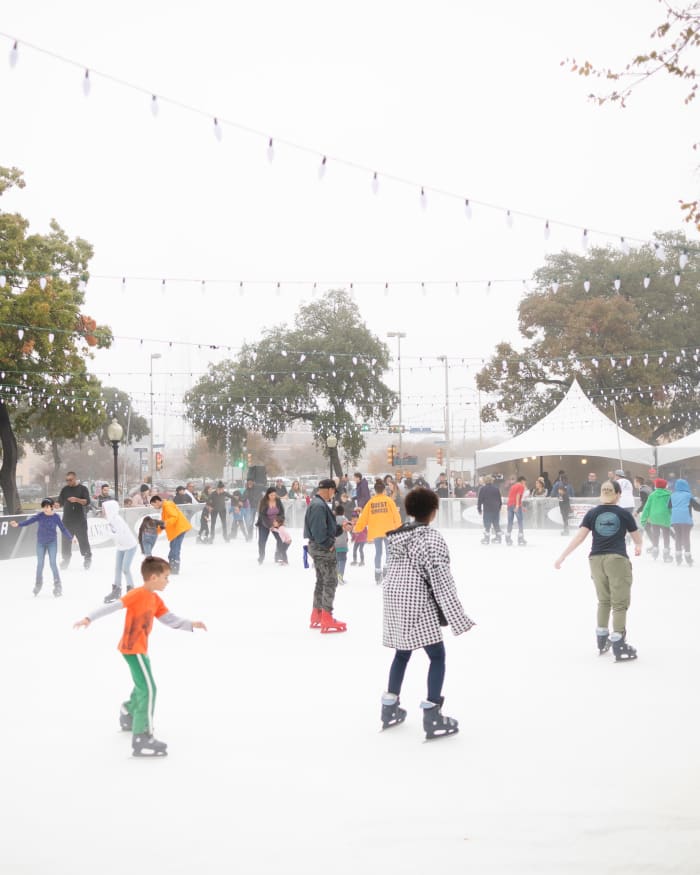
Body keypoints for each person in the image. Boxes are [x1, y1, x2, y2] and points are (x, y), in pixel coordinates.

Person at [73, 556, 207, 757]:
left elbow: (168, 619)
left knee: (142, 685)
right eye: (165, 577)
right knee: (149, 688)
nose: (167, 581)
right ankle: (142, 736)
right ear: (153, 577)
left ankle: (128, 711)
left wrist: (190, 624)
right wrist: (88, 618)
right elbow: (112, 606)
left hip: (140, 650)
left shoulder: (155, 599)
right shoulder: (137, 594)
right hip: (132, 649)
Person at [380, 487, 475, 739]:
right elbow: (441, 578)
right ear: (433, 512)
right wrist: (458, 616)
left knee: (402, 652)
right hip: (416, 598)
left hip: (395, 596)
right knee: (437, 655)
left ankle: (389, 707)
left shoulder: (399, 535)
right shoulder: (430, 538)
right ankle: (432, 713)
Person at [554, 480, 642, 661]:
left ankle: (602, 639)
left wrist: (563, 556)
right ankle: (619, 642)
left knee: (603, 601)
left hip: (595, 559)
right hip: (616, 559)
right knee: (619, 603)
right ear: (618, 494)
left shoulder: (592, 513)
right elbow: (636, 536)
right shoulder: (623, 514)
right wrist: (638, 545)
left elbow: (579, 537)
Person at [304, 479, 353, 632]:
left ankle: (317, 613)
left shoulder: (317, 503)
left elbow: (326, 527)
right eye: (334, 491)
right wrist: (328, 544)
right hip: (322, 549)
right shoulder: (319, 506)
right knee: (330, 581)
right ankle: (326, 616)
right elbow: (319, 531)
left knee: (321, 581)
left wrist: (340, 527)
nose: (333, 495)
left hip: (317, 548)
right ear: (329, 489)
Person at [10, 498, 73, 597]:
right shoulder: (40, 516)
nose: (45, 509)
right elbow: (29, 522)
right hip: (41, 543)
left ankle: (58, 585)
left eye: (47, 507)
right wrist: (18, 524)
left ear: (52, 507)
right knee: (40, 564)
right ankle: (38, 584)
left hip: (52, 543)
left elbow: (63, 529)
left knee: (53, 563)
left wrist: (71, 538)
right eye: (44, 507)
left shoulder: (56, 517)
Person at [353, 479, 402, 584]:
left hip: (376, 531)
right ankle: (386, 569)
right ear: (384, 490)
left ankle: (377, 573)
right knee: (389, 552)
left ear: (375, 491)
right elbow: (396, 516)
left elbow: (363, 517)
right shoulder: (389, 501)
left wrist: (357, 528)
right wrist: (399, 528)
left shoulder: (371, 503)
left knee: (378, 552)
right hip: (389, 531)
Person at [102, 499, 139, 603]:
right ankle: (116, 591)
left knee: (125, 568)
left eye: (104, 508)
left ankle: (132, 591)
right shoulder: (110, 519)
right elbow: (115, 534)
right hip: (121, 547)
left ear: (110, 509)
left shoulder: (117, 520)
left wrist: (109, 534)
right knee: (117, 568)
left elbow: (120, 535)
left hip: (130, 546)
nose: (103, 510)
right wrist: (108, 532)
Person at [57, 470, 93, 570]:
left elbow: (87, 501)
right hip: (67, 520)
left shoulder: (82, 489)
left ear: (75, 478)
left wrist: (77, 500)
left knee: (83, 540)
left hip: (80, 519)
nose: (68, 481)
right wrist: (57, 504)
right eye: (66, 480)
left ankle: (87, 557)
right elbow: (60, 501)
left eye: (70, 480)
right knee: (65, 540)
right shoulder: (65, 489)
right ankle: (66, 559)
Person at [148, 494, 192, 574]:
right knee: (173, 548)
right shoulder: (165, 507)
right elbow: (163, 523)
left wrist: (165, 523)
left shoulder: (167, 506)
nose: (154, 507)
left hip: (178, 529)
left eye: (153, 505)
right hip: (177, 530)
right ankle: (173, 566)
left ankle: (174, 568)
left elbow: (174, 517)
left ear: (157, 502)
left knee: (175, 549)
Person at [639, 478, 673, 562]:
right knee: (666, 535)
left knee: (656, 534)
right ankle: (666, 552)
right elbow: (672, 507)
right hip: (665, 517)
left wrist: (643, 519)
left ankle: (655, 549)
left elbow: (646, 508)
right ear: (665, 486)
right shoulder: (669, 494)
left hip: (654, 517)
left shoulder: (652, 495)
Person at [669, 478, 700, 566]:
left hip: (675, 519)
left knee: (678, 537)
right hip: (686, 519)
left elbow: (669, 506)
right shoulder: (688, 495)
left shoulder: (672, 495)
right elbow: (697, 507)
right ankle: (688, 557)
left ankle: (678, 557)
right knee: (686, 537)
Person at [255, 487, 286, 564]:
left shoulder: (278, 501)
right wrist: (270, 526)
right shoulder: (263, 501)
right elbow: (262, 515)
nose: (273, 497)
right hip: (264, 524)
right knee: (262, 541)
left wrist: (278, 521)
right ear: (268, 495)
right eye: (271, 495)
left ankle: (277, 555)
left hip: (276, 523)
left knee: (280, 539)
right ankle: (261, 556)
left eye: (274, 495)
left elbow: (282, 512)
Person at [476, 475, 502, 544]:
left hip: (487, 510)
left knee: (487, 525)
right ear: (492, 481)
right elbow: (499, 500)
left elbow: (480, 500)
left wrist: (479, 509)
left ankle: (486, 539)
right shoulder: (496, 489)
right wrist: (499, 508)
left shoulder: (483, 489)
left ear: (485, 481)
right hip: (496, 510)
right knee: (496, 524)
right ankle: (498, 538)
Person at [505, 475, 527, 545]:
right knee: (520, 521)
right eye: (524, 482)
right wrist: (517, 505)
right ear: (522, 481)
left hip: (510, 505)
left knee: (510, 522)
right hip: (516, 505)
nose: (525, 484)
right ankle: (520, 538)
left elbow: (512, 496)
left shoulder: (513, 486)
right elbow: (518, 495)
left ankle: (508, 537)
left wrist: (521, 506)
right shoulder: (521, 486)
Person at [334, 503, 351, 584]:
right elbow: (349, 528)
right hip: (343, 544)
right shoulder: (345, 519)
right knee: (343, 560)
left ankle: (336, 576)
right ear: (343, 512)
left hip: (334, 545)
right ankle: (340, 576)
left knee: (336, 560)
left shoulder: (332, 519)